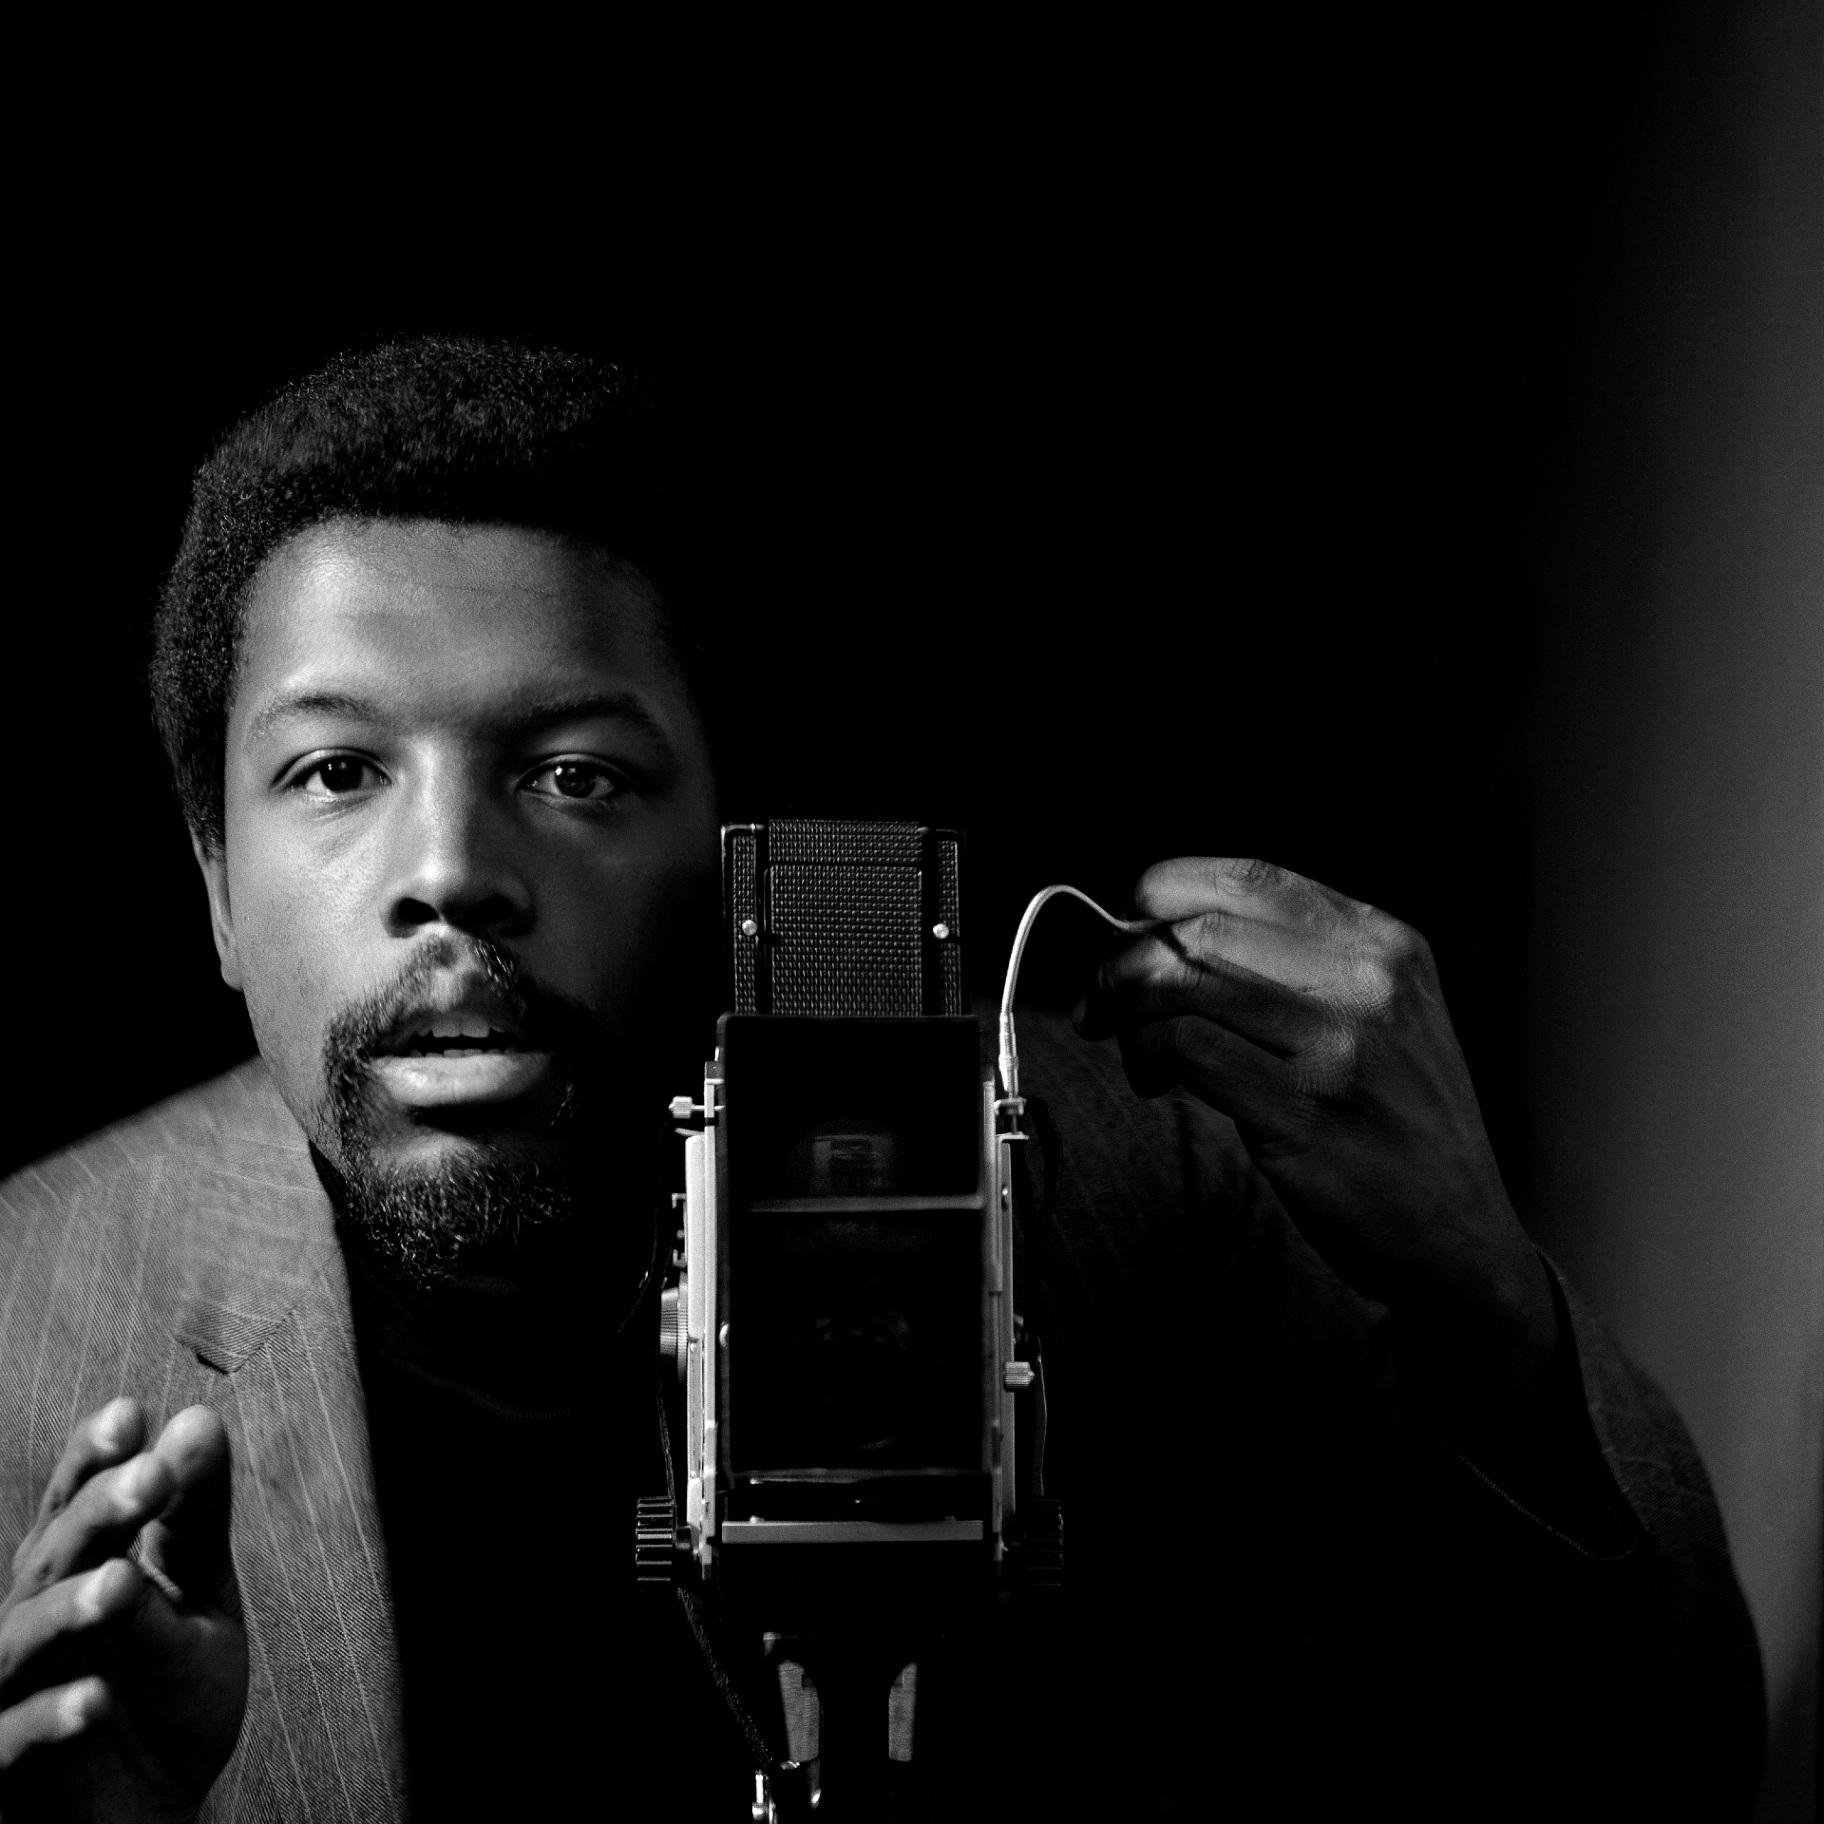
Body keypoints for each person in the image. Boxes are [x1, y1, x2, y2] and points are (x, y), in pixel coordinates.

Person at [0, 337, 1765, 1822]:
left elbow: (1666, 1766)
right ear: (216, 887)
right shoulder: (30, 1313)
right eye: (332, 772)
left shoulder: (1150, 1189)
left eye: (579, 773)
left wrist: (1483, 1292)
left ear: (736, 855)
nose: (450, 868)